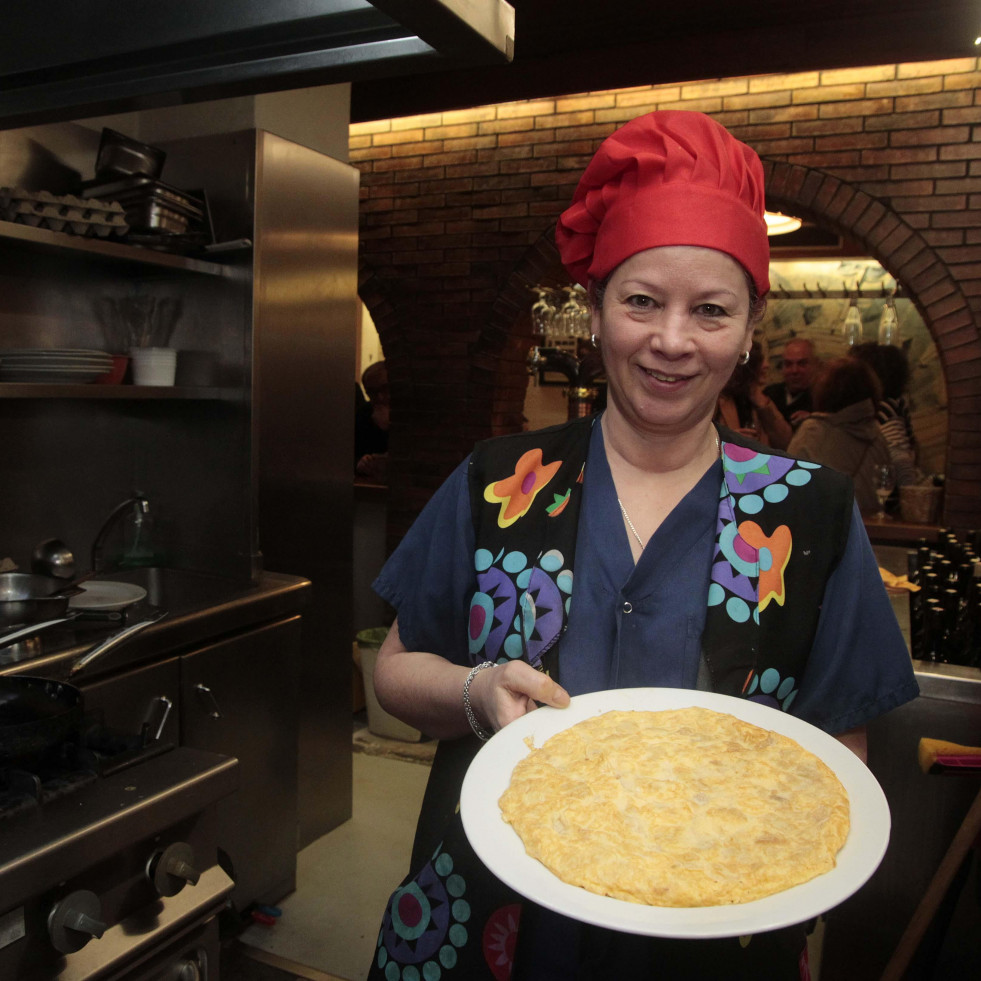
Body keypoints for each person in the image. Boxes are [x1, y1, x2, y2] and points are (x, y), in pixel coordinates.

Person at [367, 111, 917, 981]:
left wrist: (764, 859)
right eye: (640, 301)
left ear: (748, 328)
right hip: (486, 920)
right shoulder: (499, 480)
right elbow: (394, 669)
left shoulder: (807, 513)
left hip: (719, 932)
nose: (671, 341)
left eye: (709, 311)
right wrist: (477, 692)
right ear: (593, 310)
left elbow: (836, 750)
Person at [787, 357, 893, 514]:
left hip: (823, 531)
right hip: (866, 532)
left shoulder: (813, 431)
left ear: (825, 391)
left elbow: (789, 490)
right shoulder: (878, 437)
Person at [848, 341, 925, 487]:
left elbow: (901, 462)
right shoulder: (890, 405)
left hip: (885, 501)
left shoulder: (885, 410)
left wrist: (906, 498)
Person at [715, 340, 793, 448]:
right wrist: (729, 439)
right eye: (761, 360)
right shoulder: (716, 399)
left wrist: (764, 406)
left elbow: (786, 442)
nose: (767, 365)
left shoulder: (762, 399)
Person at [764, 337, 818, 427]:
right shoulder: (769, 394)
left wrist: (813, 420)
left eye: (802, 364)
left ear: (815, 364)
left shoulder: (821, 400)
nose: (794, 370)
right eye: (788, 364)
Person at [355, 360, 390, 482]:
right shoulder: (363, 413)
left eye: (385, 389)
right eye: (373, 392)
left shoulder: (411, 412)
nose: (379, 397)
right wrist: (361, 462)